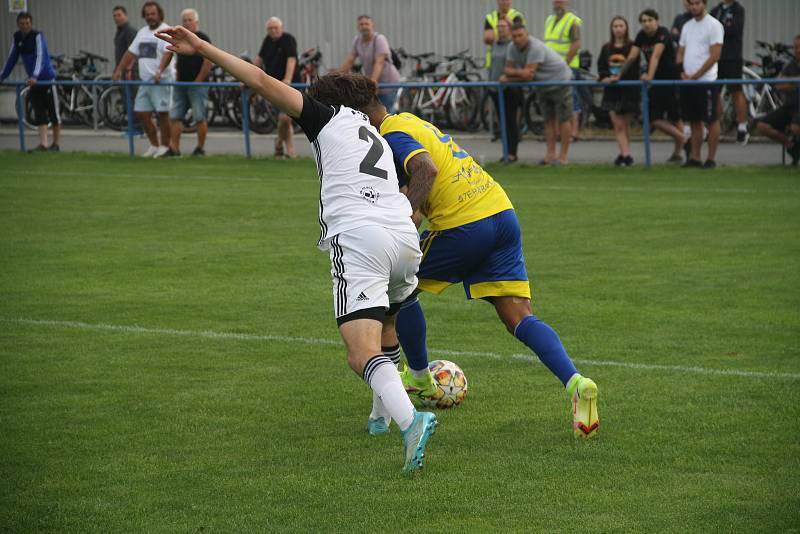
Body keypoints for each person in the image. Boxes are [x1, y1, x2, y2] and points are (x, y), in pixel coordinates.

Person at [156, 25, 437, 472]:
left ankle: (411, 422)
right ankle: (379, 418)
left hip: (360, 237)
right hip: (404, 237)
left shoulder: (327, 117)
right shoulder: (380, 139)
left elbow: (260, 81)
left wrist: (203, 47)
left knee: (359, 352)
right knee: (386, 327)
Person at [309, 69, 600, 441]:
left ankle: (418, 378)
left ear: (351, 113)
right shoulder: (412, 121)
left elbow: (425, 171)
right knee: (518, 316)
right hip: (500, 211)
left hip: (463, 225)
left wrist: (403, 215)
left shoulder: (388, 133)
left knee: (401, 288)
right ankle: (576, 382)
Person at [618, 9, 687, 163]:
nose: (646, 24)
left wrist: (648, 76)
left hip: (670, 79)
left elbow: (655, 55)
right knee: (653, 118)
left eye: (650, 20)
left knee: (675, 117)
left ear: (657, 21)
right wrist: (619, 75)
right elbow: (631, 56)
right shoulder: (641, 36)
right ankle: (683, 138)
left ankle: (679, 152)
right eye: (643, 21)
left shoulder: (663, 33)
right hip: (656, 82)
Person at [503, 23, 573, 165]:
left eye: (520, 35)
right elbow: (508, 69)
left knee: (563, 119)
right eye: (514, 36)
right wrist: (518, 73)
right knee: (548, 120)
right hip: (542, 85)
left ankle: (563, 157)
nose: (517, 39)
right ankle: (550, 155)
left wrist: (511, 76)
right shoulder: (511, 47)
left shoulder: (535, 47)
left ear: (527, 35)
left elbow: (527, 75)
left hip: (560, 81)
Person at [113, 1, 173, 158]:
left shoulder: (165, 30)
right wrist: (119, 70)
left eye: (153, 14)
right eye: (147, 14)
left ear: (159, 14)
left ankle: (166, 147)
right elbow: (130, 53)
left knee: (163, 115)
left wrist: (160, 70)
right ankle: (154, 145)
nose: (150, 17)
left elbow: (169, 53)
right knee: (141, 112)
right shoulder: (142, 32)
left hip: (162, 81)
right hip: (145, 82)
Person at [0, 12, 60, 152]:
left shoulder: (38, 36)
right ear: (18, 25)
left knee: (54, 114)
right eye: (22, 24)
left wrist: (34, 76)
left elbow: (41, 57)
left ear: (31, 23)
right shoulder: (17, 38)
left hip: (46, 80)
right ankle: (44, 144)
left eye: (27, 23)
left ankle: (56, 144)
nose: (25, 26)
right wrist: (2, 76)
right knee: (39, 113)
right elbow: (11, 59)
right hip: (33, 83)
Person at [157, 8, 211, 157]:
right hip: (181, 84)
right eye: (185, 20)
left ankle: (200, 148)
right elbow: (169, 53)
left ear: (196, 22)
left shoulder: (202, 37)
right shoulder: (180, 38)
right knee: (175, 116)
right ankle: (174, 148)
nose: (187, 23)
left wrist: (198, 81)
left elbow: (208, 62)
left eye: (190, 20)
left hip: (198, 85)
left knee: (200, 117)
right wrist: (160, 71)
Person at [677, 0, 724, 169]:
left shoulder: (714, 25)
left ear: (704, 4)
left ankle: (711, 158)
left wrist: (696, 75)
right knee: (695, 120)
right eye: (691, 4)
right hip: (689, 82)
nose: (694, 7)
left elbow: (714, 55)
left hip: (707, 81)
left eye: (697, 3)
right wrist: (681, 70)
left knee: (712, 119)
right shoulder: (687, 26)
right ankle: (695, 157)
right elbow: (681, 51)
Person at [254, 17, 300, 159]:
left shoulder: (288, 39)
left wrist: (287, 79)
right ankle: (289, 150)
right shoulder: (267, 40)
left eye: (276, 28)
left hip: (289, 85)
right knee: (284, 119)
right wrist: (249, 77)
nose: (273, 31)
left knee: (285, 118)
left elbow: (292, 60)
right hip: (273, 85)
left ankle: (280, 143)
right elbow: (259, 59)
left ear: (281, 28)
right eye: (270, 28)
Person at [599, 16, 639, 166]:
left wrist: (620, 77)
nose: (618, 29)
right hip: (612, 92)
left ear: (626, 28)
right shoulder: (606, 48)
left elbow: (634, 67)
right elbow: (601, 68)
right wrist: (605, 77)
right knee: (618, 124)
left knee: (624, 125)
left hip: (628, 90)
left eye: (621, 26)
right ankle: (627, 156)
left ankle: (623, 154)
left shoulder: (633, 47)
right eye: (615, 26)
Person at [339, 15, 401, 113]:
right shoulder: (357, 41)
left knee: (386, 113)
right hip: (374, 83)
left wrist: (372, 83)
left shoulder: (379, 39)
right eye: (361, 24)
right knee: (373, 113)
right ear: (358, 27)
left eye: (366, 24)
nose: (364, 26)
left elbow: (379, 62)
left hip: (388, 83)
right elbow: (350, 60)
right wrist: (337, 77)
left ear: (372, 25)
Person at [755, 34, 800, 166]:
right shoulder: (790, 65)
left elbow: (785, 83)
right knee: (762, 126)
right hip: (789, 106)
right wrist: (795, 82)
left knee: (796, 128)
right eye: (796, 47)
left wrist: (790, 82)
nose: (798, 50)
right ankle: (791, 146)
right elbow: (778, 84)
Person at [710, 0, 748, 144]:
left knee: (736, 90)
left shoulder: (738, 9)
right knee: (715, 92)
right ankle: (716, 127)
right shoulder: (715, 10)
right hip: (716, 57)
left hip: (732, 56)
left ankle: (742, 127)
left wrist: (718, 29)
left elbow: (734, 29)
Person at [544, 0, 582, 140]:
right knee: (556, 99)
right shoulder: (549, 20)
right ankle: (559, 132)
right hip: (551, 68)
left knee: (571, 98)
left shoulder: (572, 21)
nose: (557, 3)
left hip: (568, 67)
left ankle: (574, 131)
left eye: (561, 1)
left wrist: (564, 65)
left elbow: (576, 44)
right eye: (555, 1)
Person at [486, 18, 513, 145]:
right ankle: (505, 146)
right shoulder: (495, 45)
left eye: (503, 26)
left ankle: (511, 149)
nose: (500, 29)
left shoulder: (512, 45)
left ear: (509, 28)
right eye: (498, 26)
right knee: (501, 117)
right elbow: (492, 64)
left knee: (509, 118)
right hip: (495, 86)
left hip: (508, 87)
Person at [483, 0, 526, 75]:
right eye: (502, 0)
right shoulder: (490, 17)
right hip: (494, 60)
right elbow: (488, 38)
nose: (505, 2)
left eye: (507, 0)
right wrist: (506, 33)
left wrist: (497, 36)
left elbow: (520, 35)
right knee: (493, 84)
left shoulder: (516, 16)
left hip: (513, 59)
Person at [113, 6, 138, 80]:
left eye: (119, 15)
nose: (116, 18)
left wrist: (129, 70)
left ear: (125, 15)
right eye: (114, 16)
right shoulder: (119, 32)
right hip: (122, 71)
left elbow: (134, 51)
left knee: (132, 91)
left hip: (131, 73)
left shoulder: (129, 31)